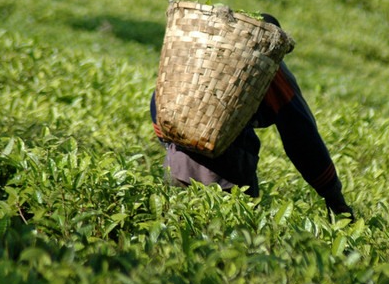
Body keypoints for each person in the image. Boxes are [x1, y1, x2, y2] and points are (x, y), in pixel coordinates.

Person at [150, 14, 354, 221]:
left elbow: (159, 99)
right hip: (229, 177)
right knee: (228, 242)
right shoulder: (268, 66)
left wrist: (170, 145)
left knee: (173, 230)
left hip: (176, 164)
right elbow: (302, 136)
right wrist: (333, 194)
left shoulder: (204, 50)